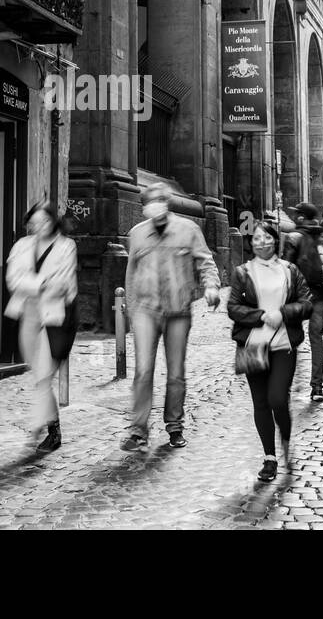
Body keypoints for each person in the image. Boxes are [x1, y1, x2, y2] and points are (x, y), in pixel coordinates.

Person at [121, 182, 221, 451]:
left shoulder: (188, 230)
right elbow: (131, 274)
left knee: (176, 372)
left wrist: (211, 286)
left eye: (158, 200)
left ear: (167, 202)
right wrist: (131, 310)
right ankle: (138, 430)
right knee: (143, 371)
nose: (154, 205)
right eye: (149, 201)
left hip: (178, 310)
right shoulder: (137, 234)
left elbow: (205, 261)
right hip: (145, 310)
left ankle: (174, 426)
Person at [226, 220, 314, 482]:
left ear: (276, 241)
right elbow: (233, 308)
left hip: (283, 344)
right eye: (256, 238)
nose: (261, 242)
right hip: (253, 344)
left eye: (266, 237)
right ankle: (269, 457)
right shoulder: (242, 272)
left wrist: (283, 313)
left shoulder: (290, 270)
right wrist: (261, 316)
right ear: (251, 242)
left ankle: (285, 441)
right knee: (261, 402)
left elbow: (306, 303)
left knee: (278, 398)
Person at [4, 201, 78, 452]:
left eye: (44, 221)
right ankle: (46, 424)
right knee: (38, 375)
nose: (39, 226)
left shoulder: (67, 246)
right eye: (34, 223)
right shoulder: (21, 246)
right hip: (28, 313)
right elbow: (13, 279)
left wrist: (32, 282)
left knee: (44, 374)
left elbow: (63, 283)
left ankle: (49, 429)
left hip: (56, 317)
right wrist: (42, 283)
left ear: (53, 221)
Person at [283, 203, 323, 402]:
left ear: (302, 218)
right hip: (320, 297)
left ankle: (285, 384)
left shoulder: (294, 238)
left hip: (299, 297)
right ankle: (317, 387)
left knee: (290, 340)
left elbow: (285, 270)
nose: (294, 217)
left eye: (297, 214)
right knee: (316, 340)